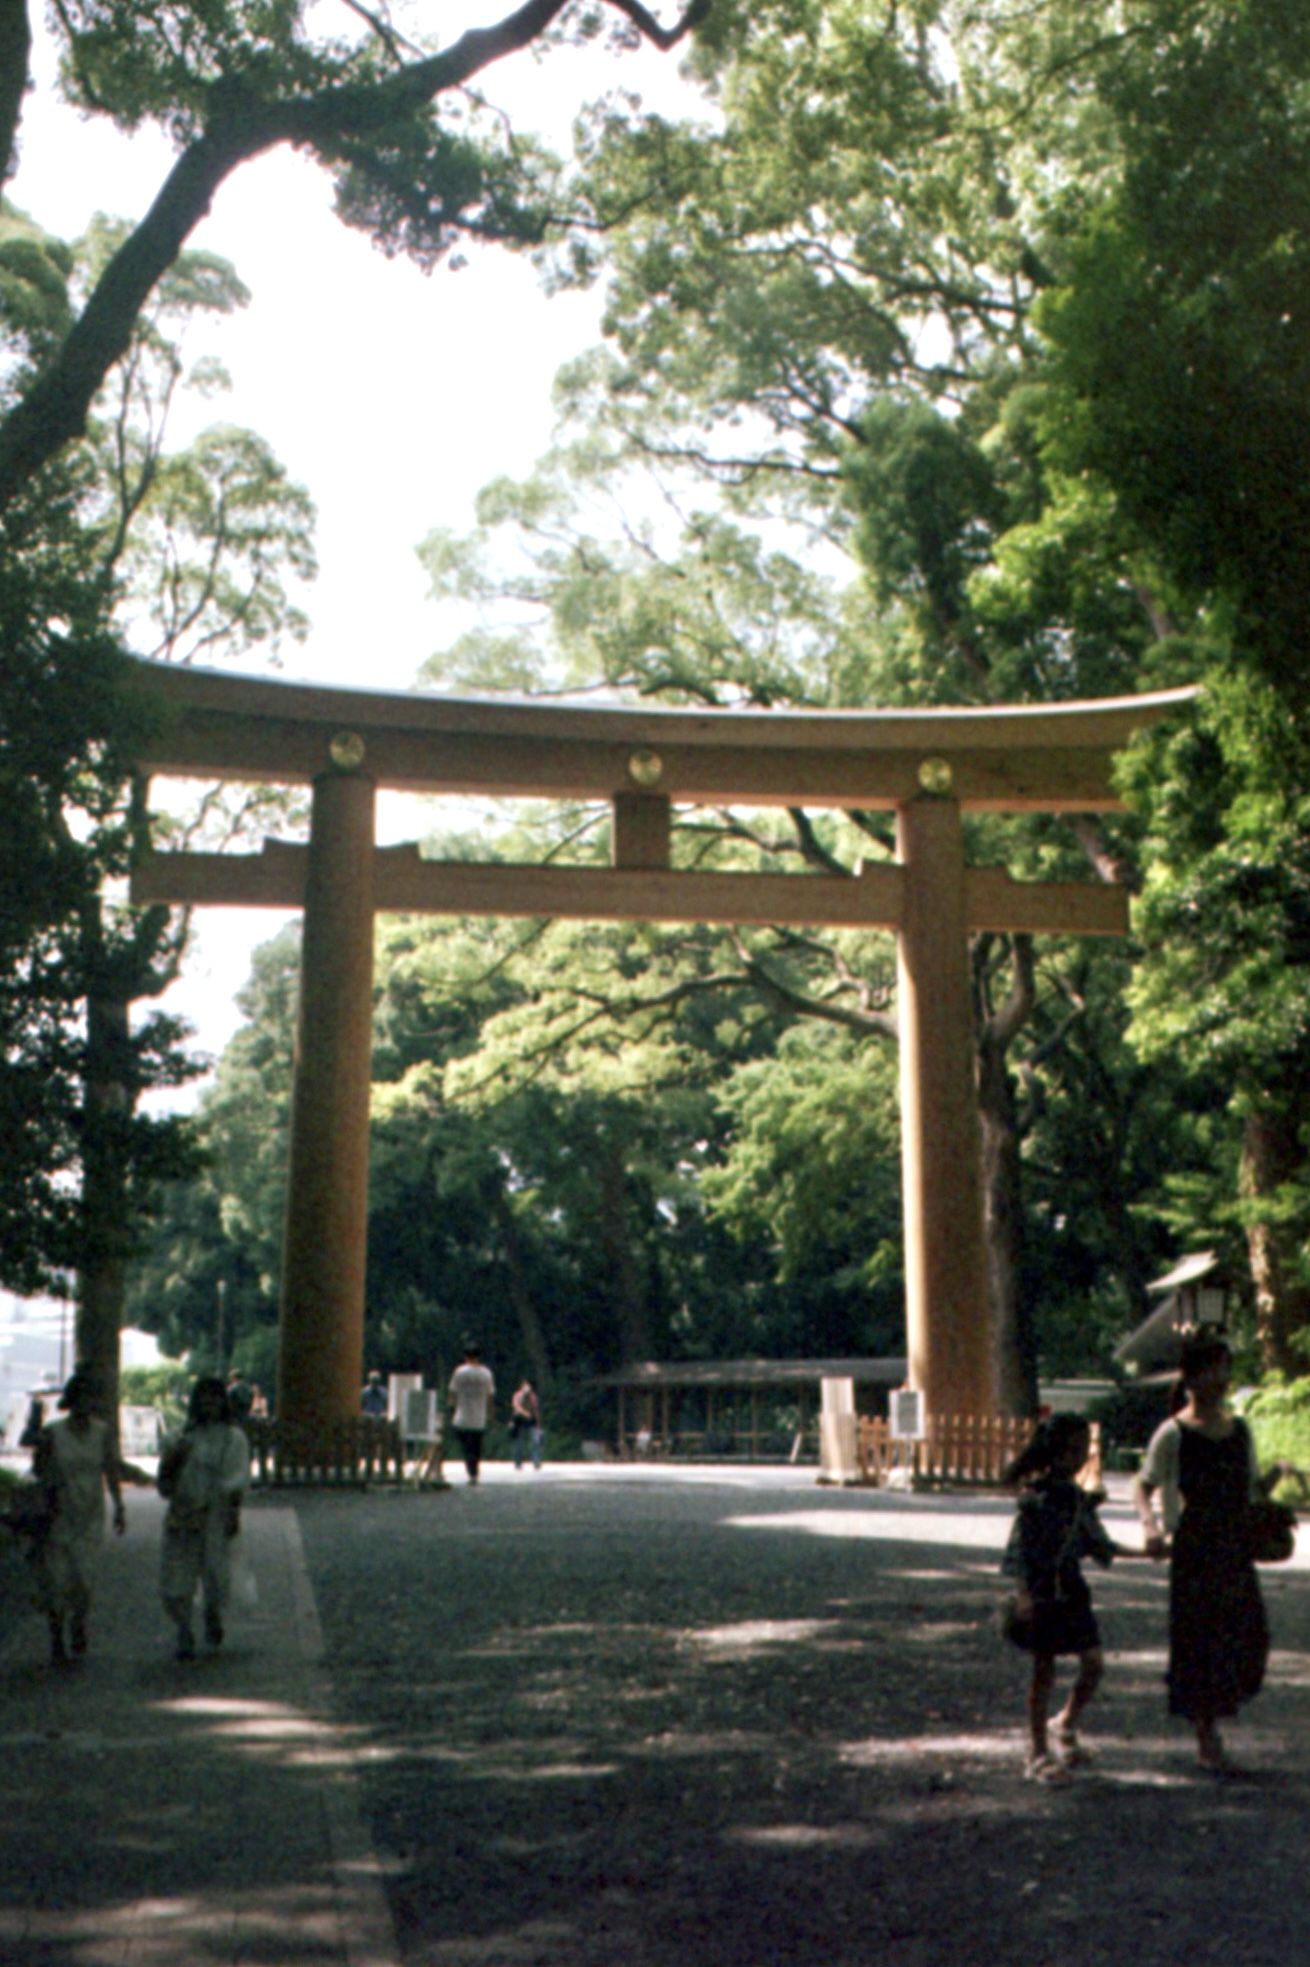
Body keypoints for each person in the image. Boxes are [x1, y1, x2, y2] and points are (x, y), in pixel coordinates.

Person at [1135, 1331, 1289, 1774]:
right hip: (1196, 1549)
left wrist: (1275, 1481)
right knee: (1199, 1642)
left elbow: (1251, 1490)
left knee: (1250, 1636)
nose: (1223, 1377)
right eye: (1215, 1368)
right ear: (1193, 1376)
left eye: (1226, 1367)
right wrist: (1150, 1527)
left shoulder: (1240, 1430)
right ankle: (1205, 1732)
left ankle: (1218, 1711)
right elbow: (1143, 1486)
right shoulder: (1174, 1433)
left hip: (1235, 1545)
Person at [1001, 1414, 1117, 1783]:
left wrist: (1151, 1549)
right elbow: (1019, 1550)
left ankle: (1064, 1723)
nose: (1079, 1457)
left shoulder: (1077, 1499)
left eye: (1084, 1450)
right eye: (1072, 1450)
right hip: (1041, 1591)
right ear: (1054, 1451)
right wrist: (1023, 1595)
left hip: (1072, 1589)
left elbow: (1098, 1544)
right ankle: (1036, 1752)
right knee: (1044, 1670)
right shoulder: (1035, 1499)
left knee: (1094, 1663)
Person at [32, 1369, 126, 1664]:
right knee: (56, 1580)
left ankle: (78, 1623)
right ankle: (56, 1636)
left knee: (83, 1579)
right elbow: (39, 1469)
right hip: (58, 1512)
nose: (85, 1404)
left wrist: (119, 1504)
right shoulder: (53, 1433)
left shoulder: (102, 1433)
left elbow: (110, 1469)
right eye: (81, 1397)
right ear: (71, 1400)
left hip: (89, 1514)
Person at [158, 1376, 251, 1661]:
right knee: (177, 1578)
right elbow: (165, 1481)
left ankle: (212, 1612)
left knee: (216, 1575)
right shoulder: (179, 1437)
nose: (209, 1404)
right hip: (183, 1516)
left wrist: (233, 1514)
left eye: (215, 1398)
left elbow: (237, 1480)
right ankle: (184, 1630)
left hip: (215, 1516)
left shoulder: (233, 1439)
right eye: (204, 1398)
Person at [448, 1344, 495, 1484]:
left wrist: (451, 1407)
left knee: (466, 1446)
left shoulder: (459, 1372)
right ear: (478, 1356)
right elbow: (490, 1396)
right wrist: (490, 1414)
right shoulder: (486, 1373)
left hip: (462, 1416)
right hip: (479, 1416)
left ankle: (471, 1470)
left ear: (464, 1356)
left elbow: (452, 1393)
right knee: (476, 1446)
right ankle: (474, 1471)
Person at [510, 1378, 543, 1471]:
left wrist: (538, 1423)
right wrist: (525, 1413)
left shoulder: (533, 1396)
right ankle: (518, 1463)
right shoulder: (517, 1395)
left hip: (531, 1421)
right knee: (519, 1443)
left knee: (535, 1442)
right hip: (519, 1420)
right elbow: (516, 1406)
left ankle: (536, 1461)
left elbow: (535, 1409)